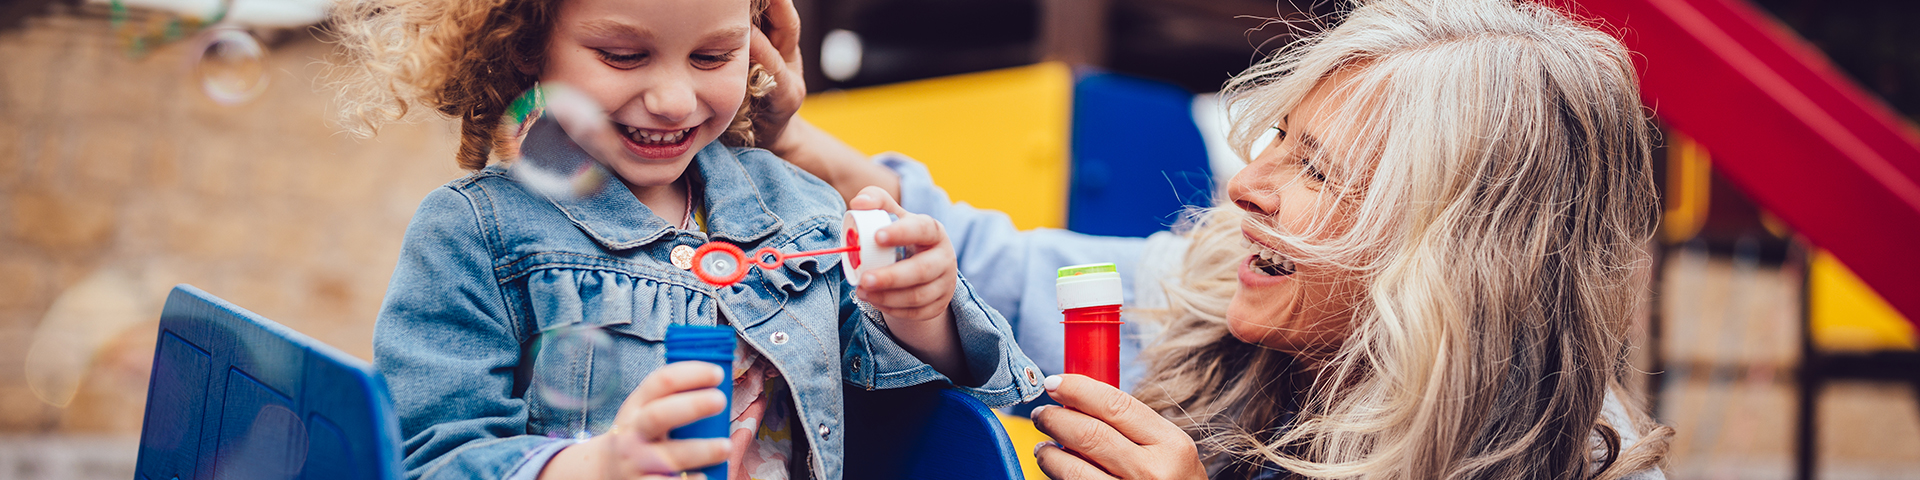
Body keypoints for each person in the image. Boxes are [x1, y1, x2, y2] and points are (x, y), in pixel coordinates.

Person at [768, 0, 1675, 478]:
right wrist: (788, 139)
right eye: (1279, 135)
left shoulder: (1577, 465)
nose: (1247, 183)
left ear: (1464, 256)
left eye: (1317, 171)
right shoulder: (1203, 303)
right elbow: (983, 269)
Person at [326, 0, 1044, 478]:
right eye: (623, 55)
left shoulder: (801, 208)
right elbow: (429, 458)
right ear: (525, 46)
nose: (673, 100)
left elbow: (898, 399)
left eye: (711, 57)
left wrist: (921, 317)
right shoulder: (474, 235)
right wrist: (597, 465)